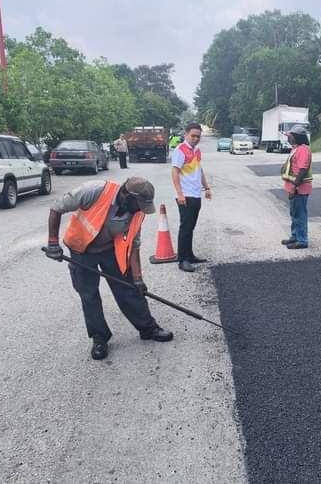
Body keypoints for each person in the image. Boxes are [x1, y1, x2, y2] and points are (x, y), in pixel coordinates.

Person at [44, 177, 173, 360]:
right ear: (126, 195)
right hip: (82, 249)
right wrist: (52, 243)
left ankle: (148, 328)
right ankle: (99, 337)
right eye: (139, 204)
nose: (140, 210)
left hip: (111, 250)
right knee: (88, 294)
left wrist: (138, 278)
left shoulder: (137, 212)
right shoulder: (94, 190)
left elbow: (134, 246)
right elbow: (56, 208)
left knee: (128, 289)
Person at [171, 123, 212, 273]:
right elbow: (175, 172)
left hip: (196, 194)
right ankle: (183, 260)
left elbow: (199, 170)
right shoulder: (180, 150)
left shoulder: (197, 150)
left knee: (191, 227)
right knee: (185, 228)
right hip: (185, 195)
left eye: (198, 136)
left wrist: (206, 187)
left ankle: (190, 255)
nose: (195, 139)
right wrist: (179, 193)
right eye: (193, 136)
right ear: (186, 134)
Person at [280, 124, 312, 249]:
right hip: (294, 187)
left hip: (299, 188)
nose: (289, 138)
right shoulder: (296, 148)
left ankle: (302, 240)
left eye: (291, 136)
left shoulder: (303, 149)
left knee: (300, 215)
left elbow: (302, 170)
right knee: (294, 214)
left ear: (297, 137)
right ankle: (295, 236)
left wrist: (294, 187)